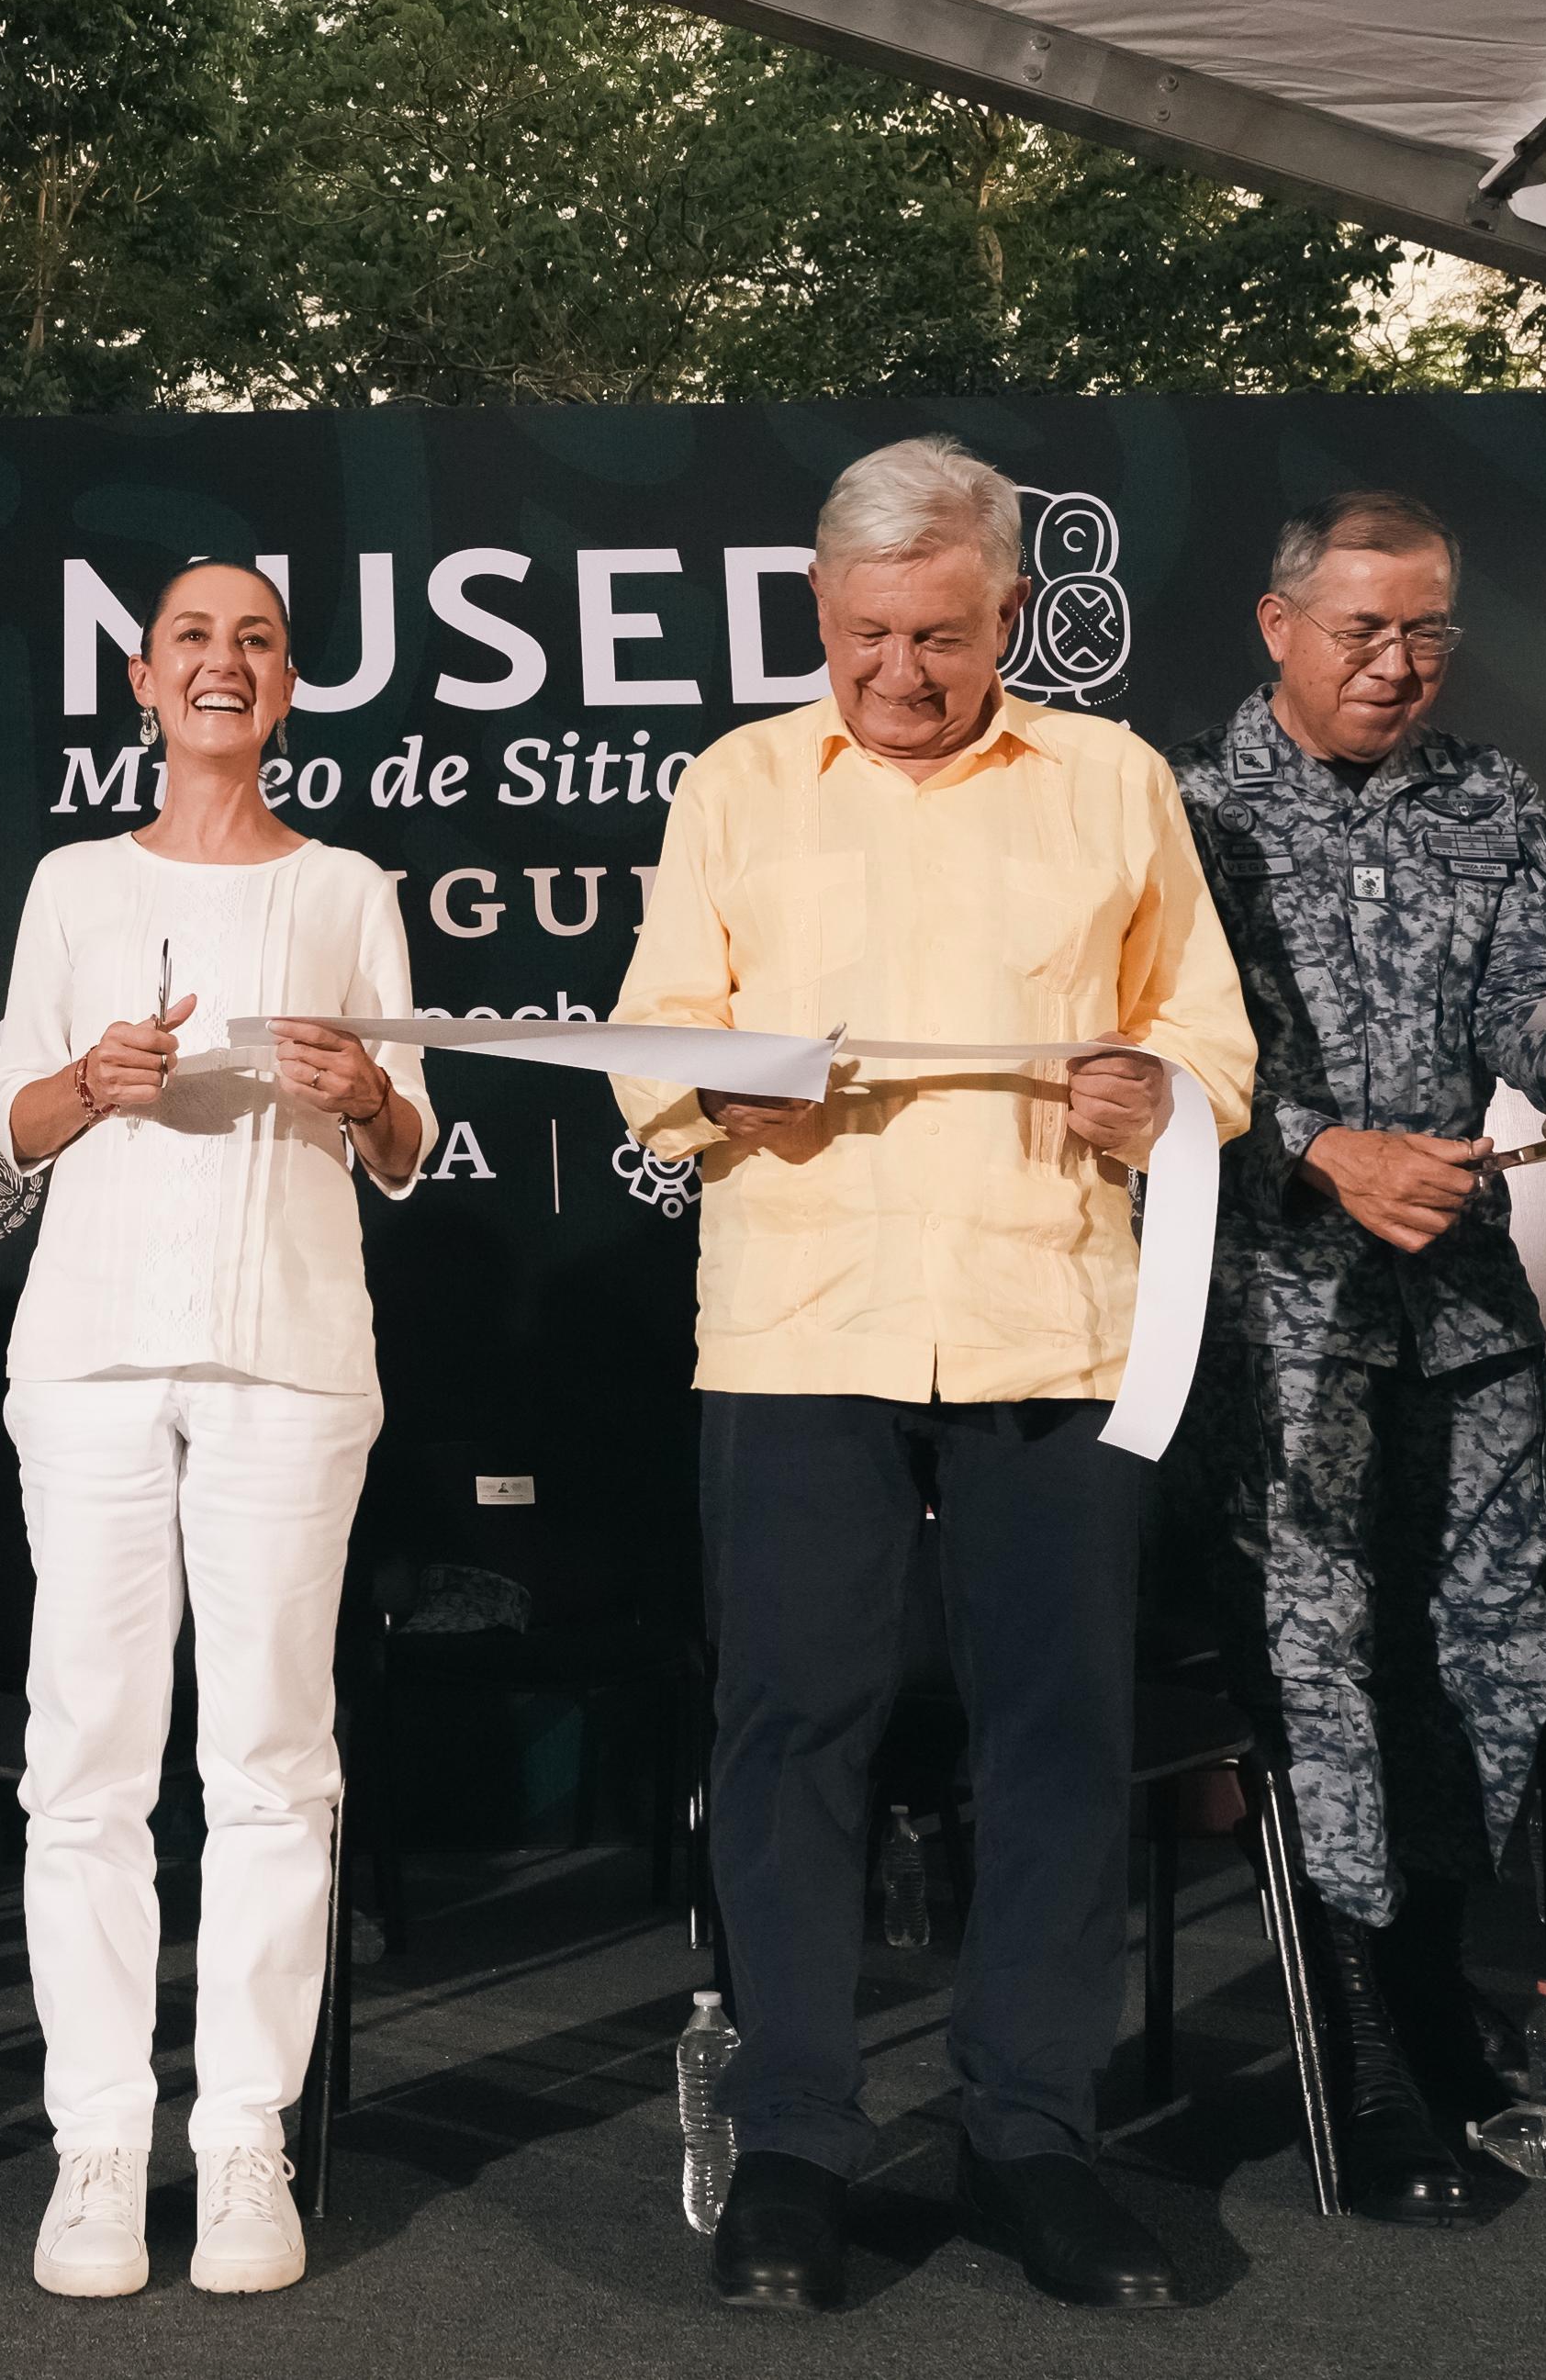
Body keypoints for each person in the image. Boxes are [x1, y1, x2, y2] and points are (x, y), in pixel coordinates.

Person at [612, 435, 1257, 2315]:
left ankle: (1029, 2136)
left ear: (1010, 619)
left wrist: (1157, 1096)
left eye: (946, 638)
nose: (902, 673)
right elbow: (658, 1045)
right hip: (801, 1322)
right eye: (871, 634)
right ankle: (797, 2138)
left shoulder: (1111, 781)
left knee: (1055, 1738)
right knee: (789, 1725)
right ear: (820, 613)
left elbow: (1205, 1044)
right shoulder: (736, 781)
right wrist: (710, 1079)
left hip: (1047, 1314)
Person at [1172, 491, 1546, 2224]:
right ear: (1277, 623)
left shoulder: (1487, 795)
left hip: (1460, 1311)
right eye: (1364, 631)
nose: (1400, 665)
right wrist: (1321, 1147)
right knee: (1320, 1678)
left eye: (1430, 633)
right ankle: (1367, 2050)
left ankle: (1437, 1991)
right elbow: (1166, 1066)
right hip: (1274, 1323)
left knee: (1483, 1657)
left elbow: (1523, 987)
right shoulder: (1183, 811)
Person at [0, 558, 430, 2299]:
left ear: (291, 684)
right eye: (193, 640)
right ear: (146, 684)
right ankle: (99, 2134)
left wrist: (367, 1091)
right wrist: (90, 1083)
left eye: (255, 639)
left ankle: (241, 2128)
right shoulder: (73, 879)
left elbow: (404, 1144)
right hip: (91, 1358)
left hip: (292, 1362)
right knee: (83, 1760)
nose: (224, 662)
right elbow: (10, 1122)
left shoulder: (350, 885)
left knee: (270, 1761)